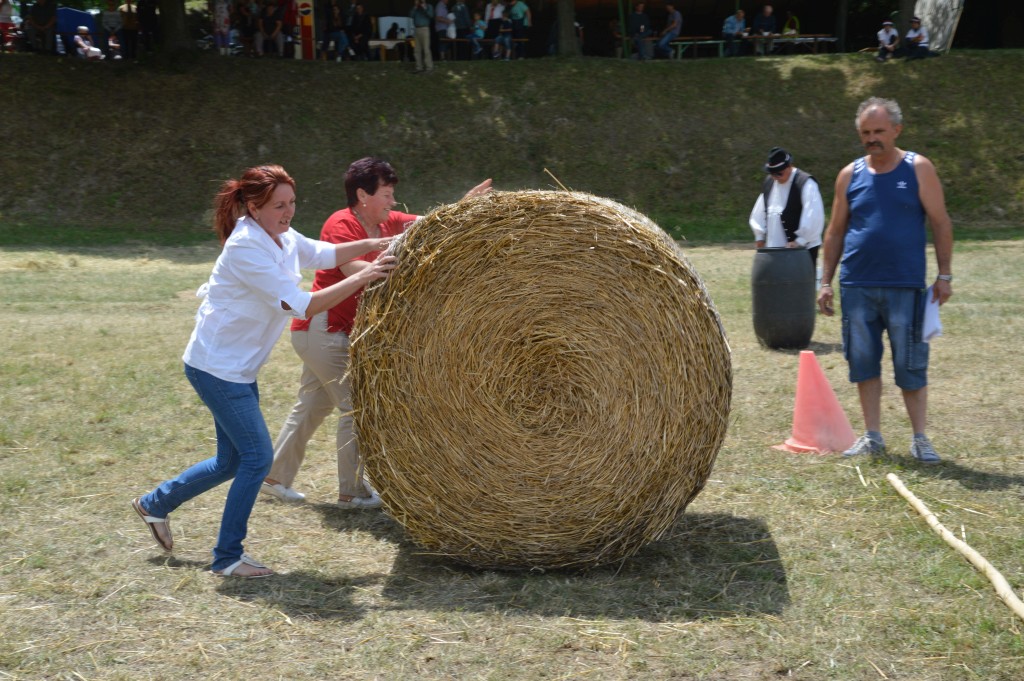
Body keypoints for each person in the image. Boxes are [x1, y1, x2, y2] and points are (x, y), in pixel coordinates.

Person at [131, 164, 397, 578]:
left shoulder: (281, 235)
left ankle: (155, 504)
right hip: (216, 367)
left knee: (231, 462)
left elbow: (322, 253)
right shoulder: (246, 247)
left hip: (236, 368)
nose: (288, 212)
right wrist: (368, 275)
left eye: (292, 203)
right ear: (253, 208)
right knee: (256, 459)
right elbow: (301, 305)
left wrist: (378, 243)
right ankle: (228, 557)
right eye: (279, 205)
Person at [262, 158, 491, 509]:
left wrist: (463, 206)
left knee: (312, 406)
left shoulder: (390, 221)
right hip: (323, 329)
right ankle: (351, 492)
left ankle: (273, 478)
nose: (393, 201)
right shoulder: (340, 223)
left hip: (326, 333)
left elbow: (433, 225)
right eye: (386, 194)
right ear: (362, 195)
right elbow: (355, 270)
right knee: (356, 408)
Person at [817, 97, 953, 464]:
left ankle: (920, 438)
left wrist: (944, 275)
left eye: (878, 131)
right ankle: (872, 436)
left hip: (905, 285)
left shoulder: (918, 168)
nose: (871, 138)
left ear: (896, 130)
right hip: (857, 285)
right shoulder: (849, 175)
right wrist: (825, 281)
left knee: (911, 363)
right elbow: (835, 231)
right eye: (865, 132)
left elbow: (940, 222)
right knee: (862, 362)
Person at [748, 146, 824, 265]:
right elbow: (760, 211)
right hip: (775, 252)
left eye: (779, 173)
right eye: (772, 174)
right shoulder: (769, 182)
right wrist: (760, 236)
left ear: (789, 166)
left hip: (801, 253)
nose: (775, 177)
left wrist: (799, 241)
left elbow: (814, 217)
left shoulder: (806, 183)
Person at [410, 0, 434, 72]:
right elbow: (411, 15)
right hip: (417, 29)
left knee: (426, 49)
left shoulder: (429, 6)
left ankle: (429, 67)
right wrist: (415, 6)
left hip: (425, 29)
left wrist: (424, 7)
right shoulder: (416, 8)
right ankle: (419, 67)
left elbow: (431, 15)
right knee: (417, 50)